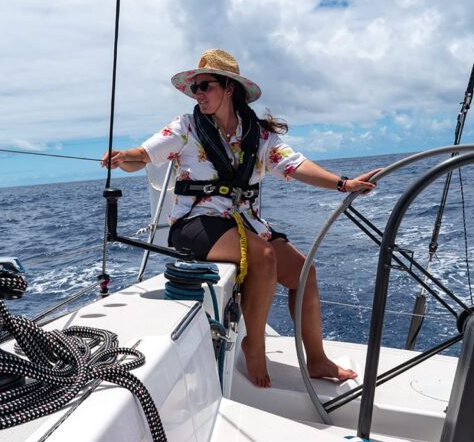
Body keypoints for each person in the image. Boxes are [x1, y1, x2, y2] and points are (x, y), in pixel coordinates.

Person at [102, 48, 380, 388]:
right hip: (195, 223)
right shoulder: (185, 127)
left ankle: (318, 359)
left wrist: (342, 183)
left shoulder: (259, 136)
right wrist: (122, 158)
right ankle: (254, 346)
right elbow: (141, 156)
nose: (198, 94)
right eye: (195, 89)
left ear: (229, 88)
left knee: (304, 272)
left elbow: (296, 165)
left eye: (206, 86)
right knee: (262, 258)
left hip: (246, 223)